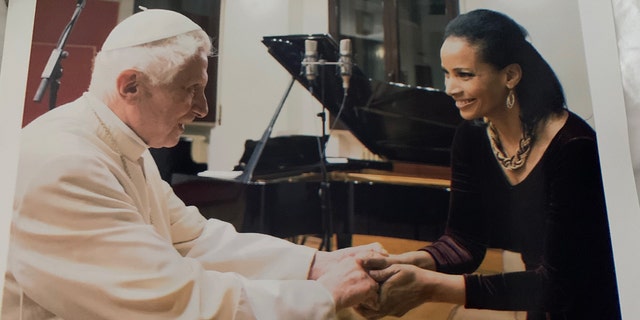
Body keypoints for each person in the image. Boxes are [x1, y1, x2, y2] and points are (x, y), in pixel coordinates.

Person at [1, 9, 386, 319]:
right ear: (130, 85)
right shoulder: (64, 162)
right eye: (191, 90)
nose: (202, 108)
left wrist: (316, 262)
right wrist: (320, 295)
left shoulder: (122, 145)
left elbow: (195, 240)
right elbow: (168, 304)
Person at [356, 9, 621, 320]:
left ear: (510, 75)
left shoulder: (575, 148)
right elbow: (463, 242)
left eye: (464, 74)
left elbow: (560, 285)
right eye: (446, 73)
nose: (450, 88)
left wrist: (430, 287)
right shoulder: (472, 136)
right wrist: (406, 263)